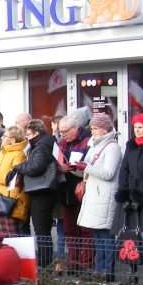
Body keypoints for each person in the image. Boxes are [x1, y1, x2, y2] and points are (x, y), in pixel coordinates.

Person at [115, 113, 143, 285]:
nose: (137, 130)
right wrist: (124, 190)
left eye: (140, 127)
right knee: (130, 235)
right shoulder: (131, 145)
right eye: (135, 127)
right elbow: (124, 168)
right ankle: (131, 272)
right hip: (131, 192)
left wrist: (142, 192)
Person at [77, 113, 122, 282]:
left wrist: (86, 167)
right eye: (92, 128)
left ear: (105, 129)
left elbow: (108, 173)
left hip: (104, 195)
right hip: (94, 194)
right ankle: (99, 268)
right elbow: (89, 167)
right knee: (97, 235)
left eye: (96, 129)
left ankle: (107, 271)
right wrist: (76, 167)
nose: (93, 132)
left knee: (106, 236)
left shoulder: (112, 147)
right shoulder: (94, 145)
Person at [9, 120, 58, 270]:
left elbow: (36, 166)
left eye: (29, 134)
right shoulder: (44, 143)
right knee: (41, 228)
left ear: (36, 133)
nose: (27, 137)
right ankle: (44, 261)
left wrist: (18, 167)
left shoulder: (41, 145)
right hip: (41, 190)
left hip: (41, 191)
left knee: (41, 229)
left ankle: (44, 263)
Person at [56, 112, 94, 272]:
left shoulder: (87, 142)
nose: (63, 135)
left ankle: (86, 263)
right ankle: (73, 261)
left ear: (76, 128)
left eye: (65, 132)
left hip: (82, 189)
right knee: (69, 228)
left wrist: (71, 169)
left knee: (85, 229)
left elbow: (88, 165)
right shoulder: (62, 143)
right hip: (65, 190)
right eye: (61, 132)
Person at [0, 126, 29, 235]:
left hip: (11, 199)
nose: (2, 137)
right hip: (1, 196)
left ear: (13, 140)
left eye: (5, 136)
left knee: (12, 234)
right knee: (4, 234)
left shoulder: (19, 154)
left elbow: (14, 178)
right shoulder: (3, 152)